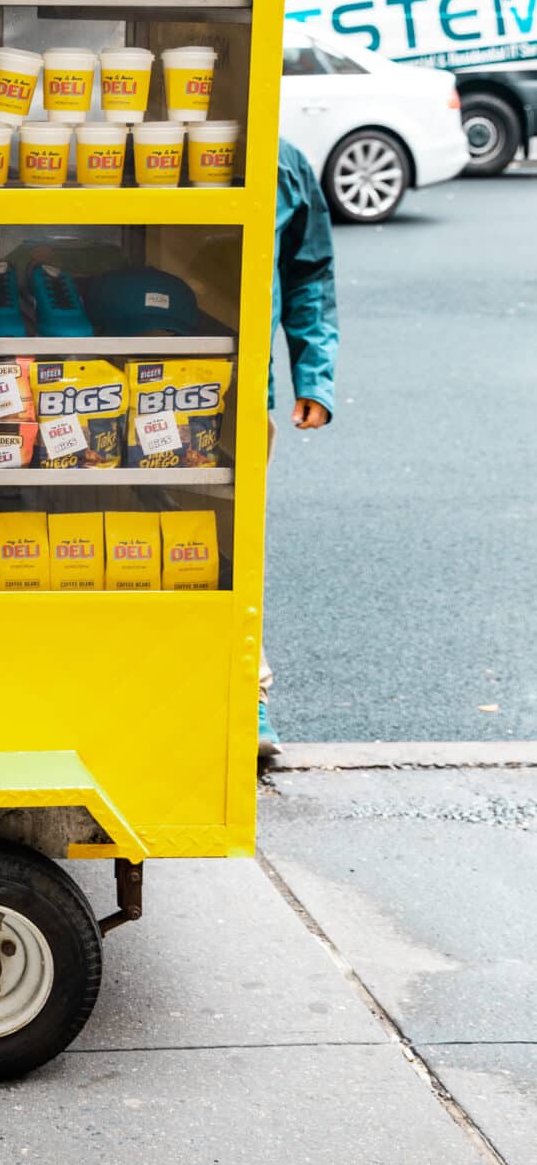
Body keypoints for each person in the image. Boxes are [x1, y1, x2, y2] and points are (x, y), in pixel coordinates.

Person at [261, 136, 339, 769]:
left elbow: (308, 273)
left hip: (238, 397)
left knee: (230, 546)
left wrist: (313, 376)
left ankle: (246, 694)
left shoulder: (283, 162)